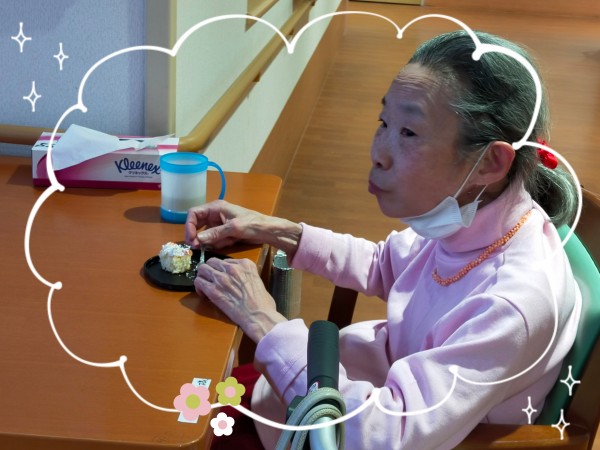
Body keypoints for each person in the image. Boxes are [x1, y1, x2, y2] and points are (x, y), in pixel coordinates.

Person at [185, 30, 581, 449]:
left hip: (350, 424)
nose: (378, 153)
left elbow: (382, 436)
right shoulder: (473, 214)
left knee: (187, 419)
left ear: (490, 161)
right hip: (341, 387)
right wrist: (276, 230)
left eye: (408, 133)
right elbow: (383, 263)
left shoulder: (513, 302)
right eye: (384, 122)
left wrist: (264, 320)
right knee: (197, 391)